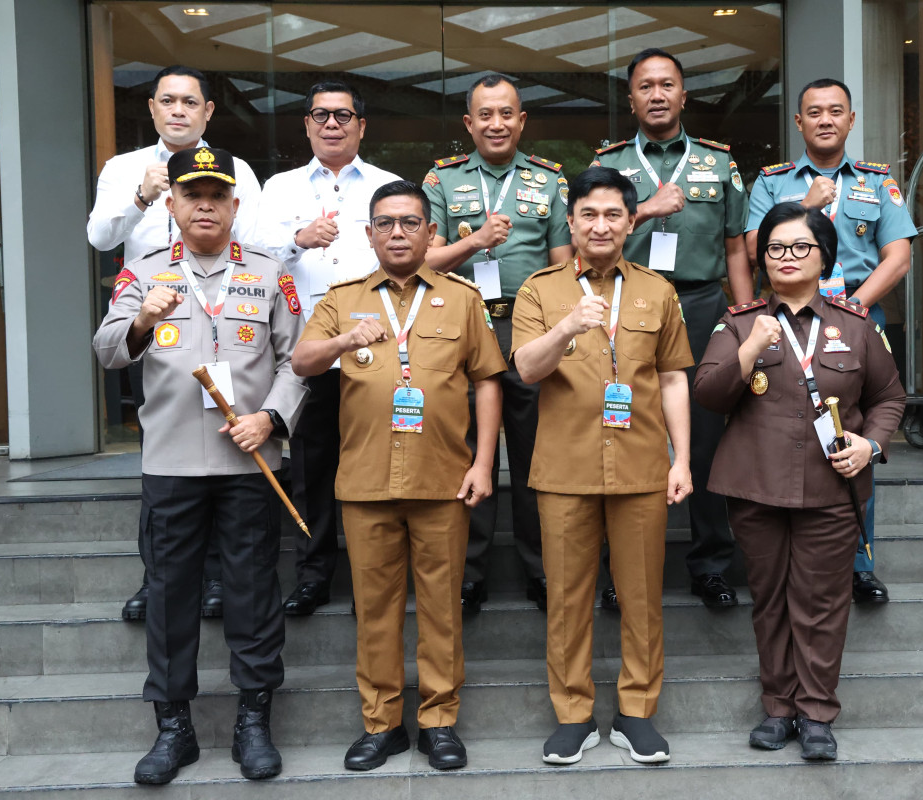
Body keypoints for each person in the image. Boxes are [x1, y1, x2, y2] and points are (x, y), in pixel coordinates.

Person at [92, 147, 307, 784]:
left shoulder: (269, 273)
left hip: (250, 462)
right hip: (172, 463)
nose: (205, 206)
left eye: (217, 196)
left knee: (253, 591)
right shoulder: (142, 275)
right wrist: (142, 320)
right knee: (169, 596)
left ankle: (254, 721)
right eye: (193, 195)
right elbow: (107, 351)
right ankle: (173, 728)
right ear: (172, 204)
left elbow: (297, 363)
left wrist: (271, 418)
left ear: (235, 206)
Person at [292, 180, 505, 772]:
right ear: (369, 234)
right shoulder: (342, 299)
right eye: (385, 223)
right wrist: (343, 339)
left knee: (441, 608)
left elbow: (487, 381)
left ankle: (439, 722)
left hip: (443, 480)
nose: (398, 233)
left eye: (411, 223)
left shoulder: (462, 299)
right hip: (366, 481)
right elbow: (302, 361)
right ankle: (381, 724)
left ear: (431, 233)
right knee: (375, 610)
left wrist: (484, 463)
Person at [695, 202, 905, 761]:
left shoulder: (855, 325)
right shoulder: (739, 322)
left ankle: (815, 713)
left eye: (800, 247)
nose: (786, 256)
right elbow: (708, 394)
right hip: (756, 487)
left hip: (831, 488)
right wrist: (750, 349)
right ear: (762, 259)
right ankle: (777, 707)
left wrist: (870, 445)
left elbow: (889, 398)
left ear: (824, 256)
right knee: (769, 600)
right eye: (775, 248)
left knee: (822, 602)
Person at [512, 166, 694, 766]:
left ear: (631, 221)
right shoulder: (540, 290)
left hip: (641, 465)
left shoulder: (657, 291)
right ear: (570, 223)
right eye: (588, 214)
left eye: (613, 214)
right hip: (564, 469)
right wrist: (568, 325)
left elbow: (672, 378)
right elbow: (526, 368)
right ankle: (573, 715)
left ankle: (637, 712)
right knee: (567, 599)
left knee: (642, 596)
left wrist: (681, 458)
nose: (600, 225)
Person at [88, 65, 261, 621]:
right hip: (155, 326)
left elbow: (253, 245)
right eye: (168, 101)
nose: (178, 110)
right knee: (162, 457)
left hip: (225, 326)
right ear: (153, 108)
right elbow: (99, 237)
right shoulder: (124, 168)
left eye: (190, 102)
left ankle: (216, 579)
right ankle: (157, 579)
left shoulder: (235, 169)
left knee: (223, 448)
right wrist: (143, 196)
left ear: (208, 112)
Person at [743, 78, 916, 604]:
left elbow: (898, 257)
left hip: (856, 318)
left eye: (835, 111)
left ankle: (860, 561)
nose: (825, 120)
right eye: (814, 112)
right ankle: (780, 555)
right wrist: (807, 203)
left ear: (851, 120)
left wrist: (853, 308)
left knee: (855, 435)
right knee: (783, 430)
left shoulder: (876, 182)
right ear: (798, 122)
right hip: (785, 319)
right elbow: (753, 249)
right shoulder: (772, 182)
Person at [590, 48, 752, 610]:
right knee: (623, 430)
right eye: (645, 86)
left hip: (702, 304)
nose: (656, 95)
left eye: (666, 85)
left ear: (684, 95)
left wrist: (745, 317)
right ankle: (621, 571)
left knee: (705, 437)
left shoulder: (718, 162)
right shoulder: (608, 165)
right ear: (631, 98)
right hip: (626, 302)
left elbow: (737, 248)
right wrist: (647, 209)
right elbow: (591, 236)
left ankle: (711, 565)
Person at [422, 73, 574, 613]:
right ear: (469, 123)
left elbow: (563, 266)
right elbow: (423, 260)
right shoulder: (442, 180)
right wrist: (477, 241)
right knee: (465, 453)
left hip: (530, 330)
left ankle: (543, 570)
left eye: (506, 113)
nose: (496, 123)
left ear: (522, 120)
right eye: (485, 114)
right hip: (463, 328)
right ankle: (469, 575)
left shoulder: (550, 180)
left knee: (538, 455)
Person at [255, 80, 401, 617]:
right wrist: (297, 239)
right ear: (307, 124)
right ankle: (314, 575)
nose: (332, 124)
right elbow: (251, 253)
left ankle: (376, 577)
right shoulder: (280, 188)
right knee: (311, 468)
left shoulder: (387, 185)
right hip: (308, 351)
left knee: (379, 465)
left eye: (343, 115)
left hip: (377, 350)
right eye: (321, 115)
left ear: (361, 125)